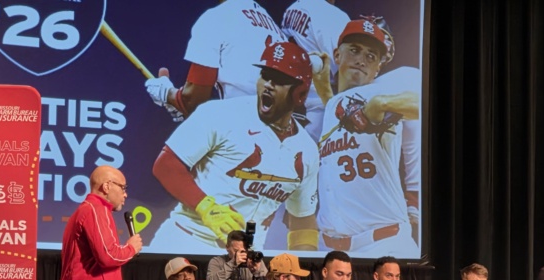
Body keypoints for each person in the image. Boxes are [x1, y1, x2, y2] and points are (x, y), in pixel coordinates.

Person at [150, 40, 320, 253]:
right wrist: (206, 207)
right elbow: (165, 165)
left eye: (279, 80)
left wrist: (301, 267)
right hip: (188, 239)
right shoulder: (221, 114)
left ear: (300, 95)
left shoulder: (307, 150)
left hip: (247, 256)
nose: (268, 84)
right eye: (265, 76)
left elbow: (302, 221)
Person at [313, 19, 421, 257]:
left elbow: (425, 103)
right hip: (330, 249)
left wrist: (383, 103)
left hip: (383, 245)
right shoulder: (333, 105)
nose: (362, 60)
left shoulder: (382, 90)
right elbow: (343, 113)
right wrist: (325, 92)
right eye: (354, 50)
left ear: (378, 69)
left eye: (371, 56)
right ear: (337, 55)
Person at [144, 0, 286, 120]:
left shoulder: (216, 17)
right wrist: (179, 102)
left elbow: (194, 101)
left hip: (246, 130)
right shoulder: (274, 27)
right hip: (283, 135)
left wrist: (165, 92)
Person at [281, 0, 350, 141]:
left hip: (288, 108)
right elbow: (349, 79)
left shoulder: (292, 8)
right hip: (317, 114)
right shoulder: (332, 15)